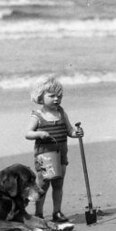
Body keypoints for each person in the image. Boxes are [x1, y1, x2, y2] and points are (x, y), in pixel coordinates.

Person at [25, 75, 82, 222]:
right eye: (52, 96)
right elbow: (28, 133)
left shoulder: (61, 113)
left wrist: (76, 133)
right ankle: (38, 213)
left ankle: (57, 211)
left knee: (58, 184)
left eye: (59, 96)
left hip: (61, 155)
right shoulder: (38, 115)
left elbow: (69, 130)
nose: (56, 99)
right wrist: (39, 133)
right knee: (43, 185)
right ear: (40, 97)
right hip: (44, 155)